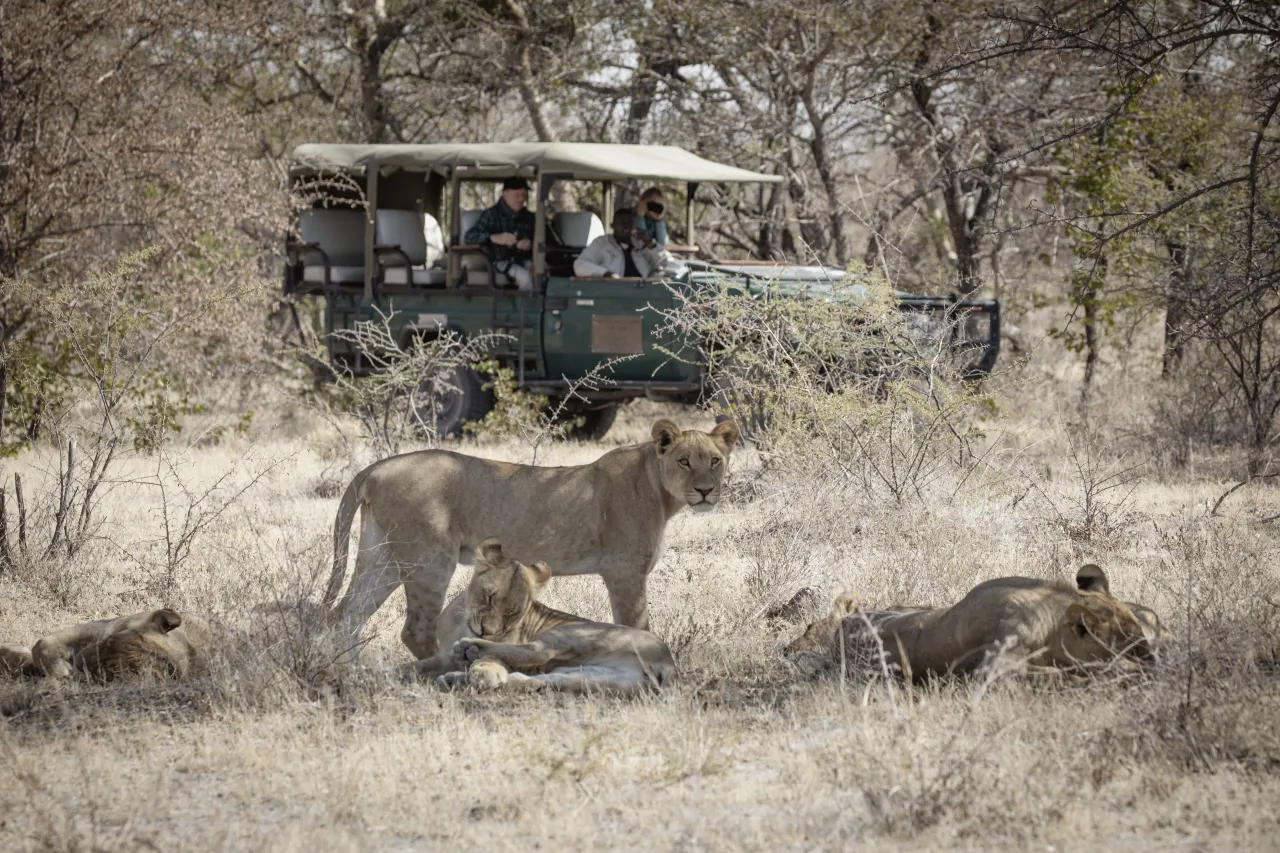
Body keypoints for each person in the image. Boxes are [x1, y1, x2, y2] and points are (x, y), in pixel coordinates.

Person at [464, 176, 536, 290]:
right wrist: (494, 238)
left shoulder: (529, 217)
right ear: (505, 193)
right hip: (500, 262)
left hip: (526, 260)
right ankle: (525, 302)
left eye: (524, 194)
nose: (521, 199)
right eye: (517, 195)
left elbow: (542, 240)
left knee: (542, 277)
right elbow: (469, 237)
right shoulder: (491, 215)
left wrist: (529, 243)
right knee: (525, 278)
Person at [574, 209, 675, 279]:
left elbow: (667, 264)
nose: (625, 227)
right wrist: (606, 274)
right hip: (614, 291)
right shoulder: (602, 243)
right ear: (612, 226)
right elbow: (580, 264)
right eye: (621, 223)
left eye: (628, 223)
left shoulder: (641, 243)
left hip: (644, 291)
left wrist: (650, 243)